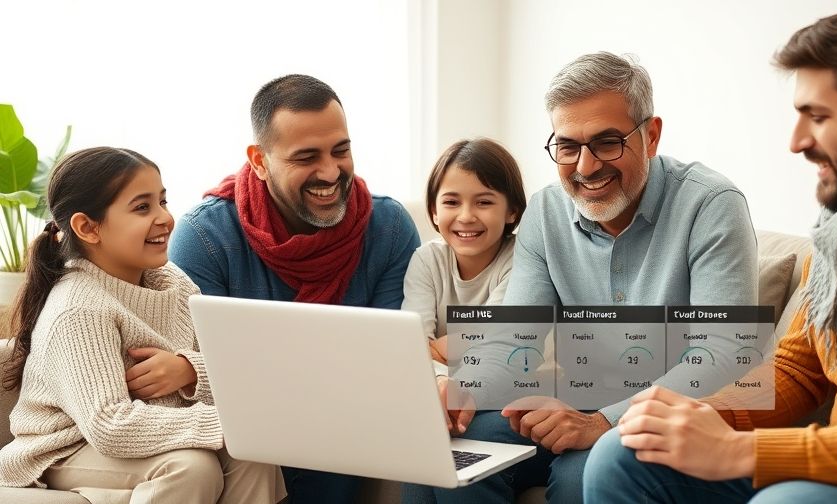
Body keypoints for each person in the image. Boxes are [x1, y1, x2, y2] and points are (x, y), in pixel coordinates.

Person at [583, 2, 837, 503]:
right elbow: (798, 371)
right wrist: (701, 416)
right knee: (624, 452)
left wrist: (738, 451)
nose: (796, 141)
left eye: (817, 117)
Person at [421, 52, 759, 504]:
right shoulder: (546, 212)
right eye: (568, 147)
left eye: (607, 142)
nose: (585, 167)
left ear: (651, 136)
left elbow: (724, 353)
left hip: (673, 416)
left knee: (581, 476)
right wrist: (465, 387)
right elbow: (514, 337)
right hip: (577, 398)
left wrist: (603, 421)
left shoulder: (711, 204)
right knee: (450, 450)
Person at [169, 74, 420, 502]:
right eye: (306, 157)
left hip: (348, 431)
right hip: (245, 441)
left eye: (341, 150)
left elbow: (394, 366)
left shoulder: (389, 227)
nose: (330, 171)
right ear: (259, 161)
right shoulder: (205, 237)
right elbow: (197, 375)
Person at [0, 147, 284, 503]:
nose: (165, 218)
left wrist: (190, 372)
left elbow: (228, 372)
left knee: (253, 456)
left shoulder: (174, 284)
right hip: (63, 449)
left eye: (162, 201)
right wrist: (227, 423)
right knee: (190, 467)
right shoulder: (78, 308)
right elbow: (109, 425)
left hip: (147, 437)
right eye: (142, 207)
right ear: (87, 228)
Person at [401, 138, 527, 432]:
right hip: (438, 390)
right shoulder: (427, 260)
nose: (466, 216)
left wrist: (438, 347)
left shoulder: (521, 259)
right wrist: (441, 376)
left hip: (504, 394)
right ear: (433, 210)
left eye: (484, 202)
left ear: (512, 210)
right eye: (451, 202)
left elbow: (497, 341)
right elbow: (411, 348)